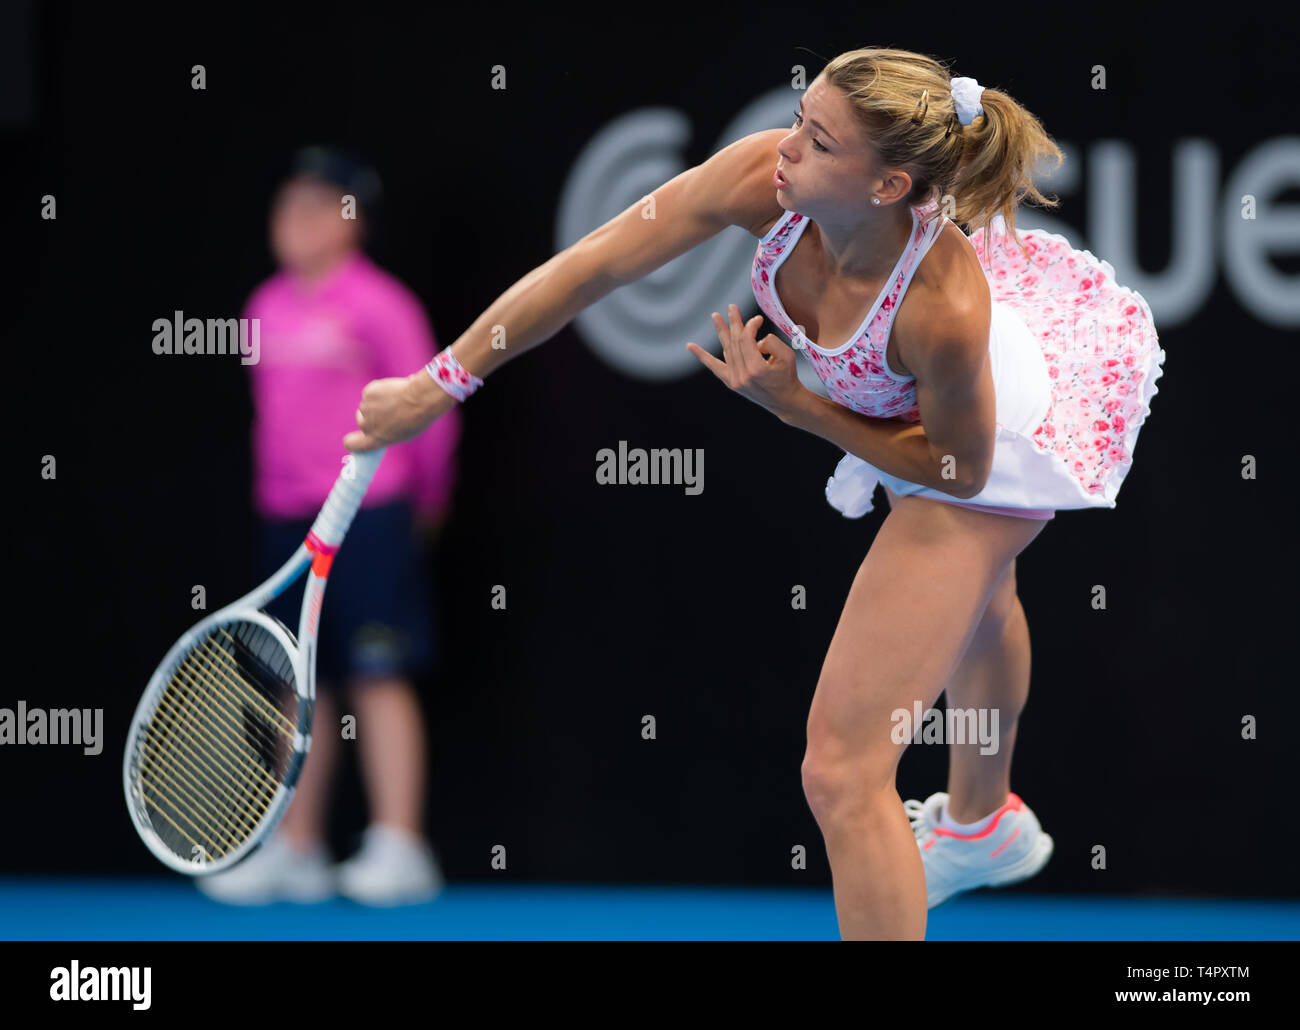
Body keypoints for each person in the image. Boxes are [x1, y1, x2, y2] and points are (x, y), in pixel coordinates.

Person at [341, 48, 1165, 939]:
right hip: (912, 425)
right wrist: (439, 384)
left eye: (819, 141)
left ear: (888, 185)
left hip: (988, 450)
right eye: (800, 116)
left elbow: (959, 470)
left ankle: (977, 824)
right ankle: (983, 823)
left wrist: (799, 406)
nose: (786, 149)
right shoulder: (760, 180)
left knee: (843, 773)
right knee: (981, 599)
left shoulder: (942, 307)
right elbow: (594, 266)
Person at [199, 146, 462, 906]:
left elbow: (433, 414)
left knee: (377, 674)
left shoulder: (384, 304)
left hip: (371, 516)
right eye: (288, 205)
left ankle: (401, 845)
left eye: (318, 207)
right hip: (285, 518)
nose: (296, 220)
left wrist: (429, 499)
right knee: (290, 679)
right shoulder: (262, 307)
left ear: (355, 223)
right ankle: (297, 847)